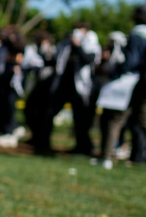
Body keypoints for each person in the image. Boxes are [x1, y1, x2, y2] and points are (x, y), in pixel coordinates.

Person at [97, 5, 146, 171]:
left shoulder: (138, 34)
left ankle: (106, 157)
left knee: (116, 118)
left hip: (138, 82)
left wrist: (115, 73)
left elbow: (131, 61)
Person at [27, 22, 100, 157]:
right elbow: (53, 61)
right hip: (62, 85)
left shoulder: (90, 43)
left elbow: (88, 60)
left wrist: (77, 45)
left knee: (81, 119)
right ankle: (42, 144)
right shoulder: (65, 44)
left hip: (80, 88)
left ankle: (83, 147)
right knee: (48, 113)